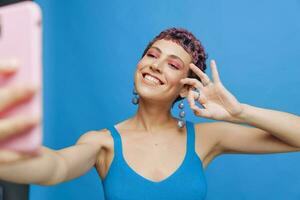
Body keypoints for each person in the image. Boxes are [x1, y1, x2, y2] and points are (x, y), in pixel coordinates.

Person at [0, 28, 300, 200]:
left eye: (173, 64)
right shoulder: (103, 143)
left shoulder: (206, 138)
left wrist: (239, 111)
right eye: (152, 55)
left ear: (186, 88)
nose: (155, 65)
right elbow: (55, 168)